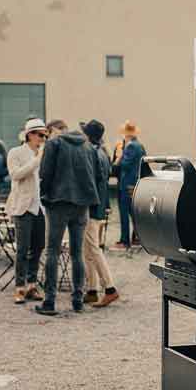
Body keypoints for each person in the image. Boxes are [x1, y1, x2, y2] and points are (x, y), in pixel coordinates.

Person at [37, 120, 102, 315]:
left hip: (58, 202)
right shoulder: (88, 146)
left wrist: (44, 194)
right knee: (77, 254)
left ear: (55, 131)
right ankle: (77, 300)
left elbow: (44, 173)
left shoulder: (54, 144)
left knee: (52, 251)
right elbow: (98, 175)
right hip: (82, 205)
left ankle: (49, 301)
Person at [5, 118, 48, 304]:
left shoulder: (44, 153)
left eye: (45, 135)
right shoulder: (15, 152)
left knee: (38, 247)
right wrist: (37, 161)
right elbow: (15, 175)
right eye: (40, 135)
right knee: (22, 249)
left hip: (40, 207)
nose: (43, 138)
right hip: (23, 206)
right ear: (30, 135)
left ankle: (32, 284)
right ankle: (19, 287)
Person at [81, 120, 119, 307]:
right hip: (98, 204)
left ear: (88, 135)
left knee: (93, 249)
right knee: (88, 249)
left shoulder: (91, 153)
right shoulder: (102, 153)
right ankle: (92, 289)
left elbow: (89, 182)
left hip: (90, 206)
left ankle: (109, 288)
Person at [112, 120, 146, 250]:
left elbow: (125, 165)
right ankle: (137, 238)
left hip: (127, 184)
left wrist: (119, 157)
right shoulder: (139, 145)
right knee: (133, 212)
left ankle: (124, 240)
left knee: (124, 212)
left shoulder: (131, 146)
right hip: (134, 183)